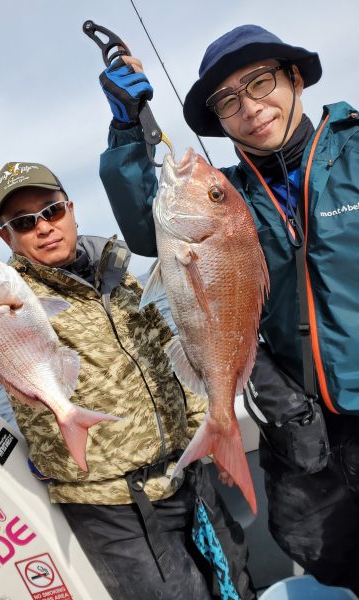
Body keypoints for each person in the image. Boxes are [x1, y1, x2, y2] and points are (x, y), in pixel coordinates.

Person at [0, 102, 256, 600]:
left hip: (187, 476)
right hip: (112, 510)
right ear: (5, 236)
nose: (44, 226)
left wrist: (210, 426)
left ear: (71, 209)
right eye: (24, 222)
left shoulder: (119, 276)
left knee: (236, 586)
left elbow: (174, 358)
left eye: (51, 210)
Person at [98, 24, 359, 593]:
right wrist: (126, 131)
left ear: (294, 77)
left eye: (260, 81)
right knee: (328, 551)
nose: (250, 107)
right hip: (298, 426)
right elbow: (152, 227)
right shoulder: (233, 197)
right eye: (228, 101)